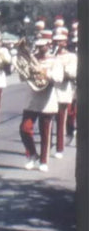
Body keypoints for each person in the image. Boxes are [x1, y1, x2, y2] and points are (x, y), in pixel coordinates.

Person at [19, 30, 63, 172]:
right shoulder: (32, 57)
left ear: (49, 45)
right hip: (32, 99)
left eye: (42, 45)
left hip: (47, 100)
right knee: (24, 129)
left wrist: (44, 72)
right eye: (38, 45)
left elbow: (58, 78)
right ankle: (32, 154)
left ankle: (44, 161)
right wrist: (23, 70)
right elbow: (23, 78)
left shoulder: (55, 60)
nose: (39, 48)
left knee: (45, 133)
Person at [52, 26, 77, 158]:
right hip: (49, 91)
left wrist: (57, 68)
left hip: (63, 91)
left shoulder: (71, 57)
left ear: (65, 42)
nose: (57, 43)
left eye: (60, 41)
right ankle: (47, 145)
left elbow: (72, 73)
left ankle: (59, 148)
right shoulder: (50, 55)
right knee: (48, 120)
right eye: (56, 41)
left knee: (61, 120)